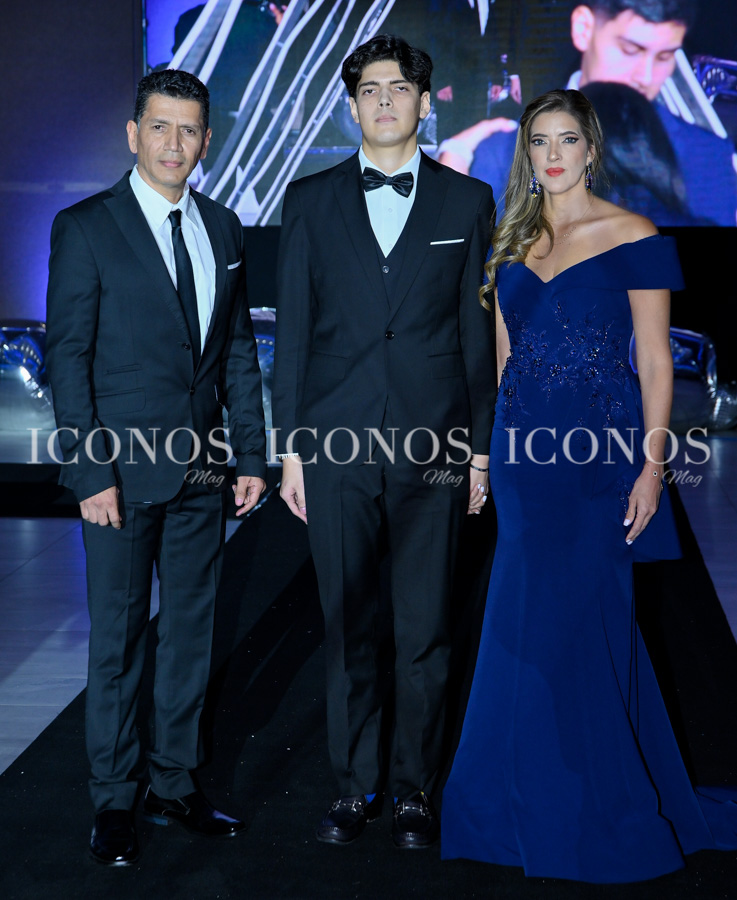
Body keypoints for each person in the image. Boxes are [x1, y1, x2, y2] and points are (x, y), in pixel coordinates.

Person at [441, 88, 737, 883]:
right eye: (539, 140)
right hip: (522, 460)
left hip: (599, 462)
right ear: (526, 153)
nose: (552, 154)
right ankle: (510, 803)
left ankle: (593, 802)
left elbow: (654, 361)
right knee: (520, 626)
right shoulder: (511, 242)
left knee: (586, 622)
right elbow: (503, 365)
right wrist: (483, 461)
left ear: (590, 150)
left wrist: (651, 467)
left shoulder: (633, 234)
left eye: (566, 139)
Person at [272, 34, 495, 849]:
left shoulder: (466, 201)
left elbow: (475, 336)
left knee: (425, 626)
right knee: (347, 623)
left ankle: (413, 792)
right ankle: (352, 787)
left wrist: (479, 452)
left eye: (398, 88)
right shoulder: (309, 201)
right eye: (369, 89)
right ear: (352, 104)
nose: (384, 101)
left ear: (424, 102)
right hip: (333, 446)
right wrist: (290, 450)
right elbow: (294, 334)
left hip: (435, 446)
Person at [45, 69, 267, 866]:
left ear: (207, 141)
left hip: (203, 471)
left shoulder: (224, 226)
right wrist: (89, 471)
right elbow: (67, 357)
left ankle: (174, 782)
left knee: (190, 636)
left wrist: (251, 453)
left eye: (190, 129)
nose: (175, 143)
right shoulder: (86, 226)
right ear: (133, 134)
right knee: (118, 642)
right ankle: (114, 799)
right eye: (161, 127)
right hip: (119, 472)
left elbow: (234, 349)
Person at [440, 0, 737, 226]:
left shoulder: (708, 156)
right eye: (631, 50)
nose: (646, 77)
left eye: (664, 56)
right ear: (583, 29)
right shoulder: (501, 153)